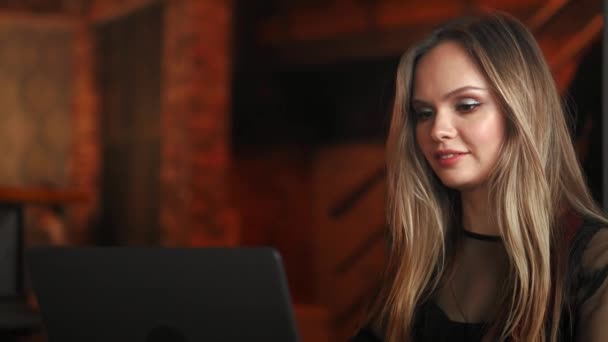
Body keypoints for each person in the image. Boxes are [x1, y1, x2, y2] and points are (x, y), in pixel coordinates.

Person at [351, 12, 608, 342]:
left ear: (521, 110)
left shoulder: (593, 257)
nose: (438, 131)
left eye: (466, 105)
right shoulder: (419, 262)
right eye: (423, 113)